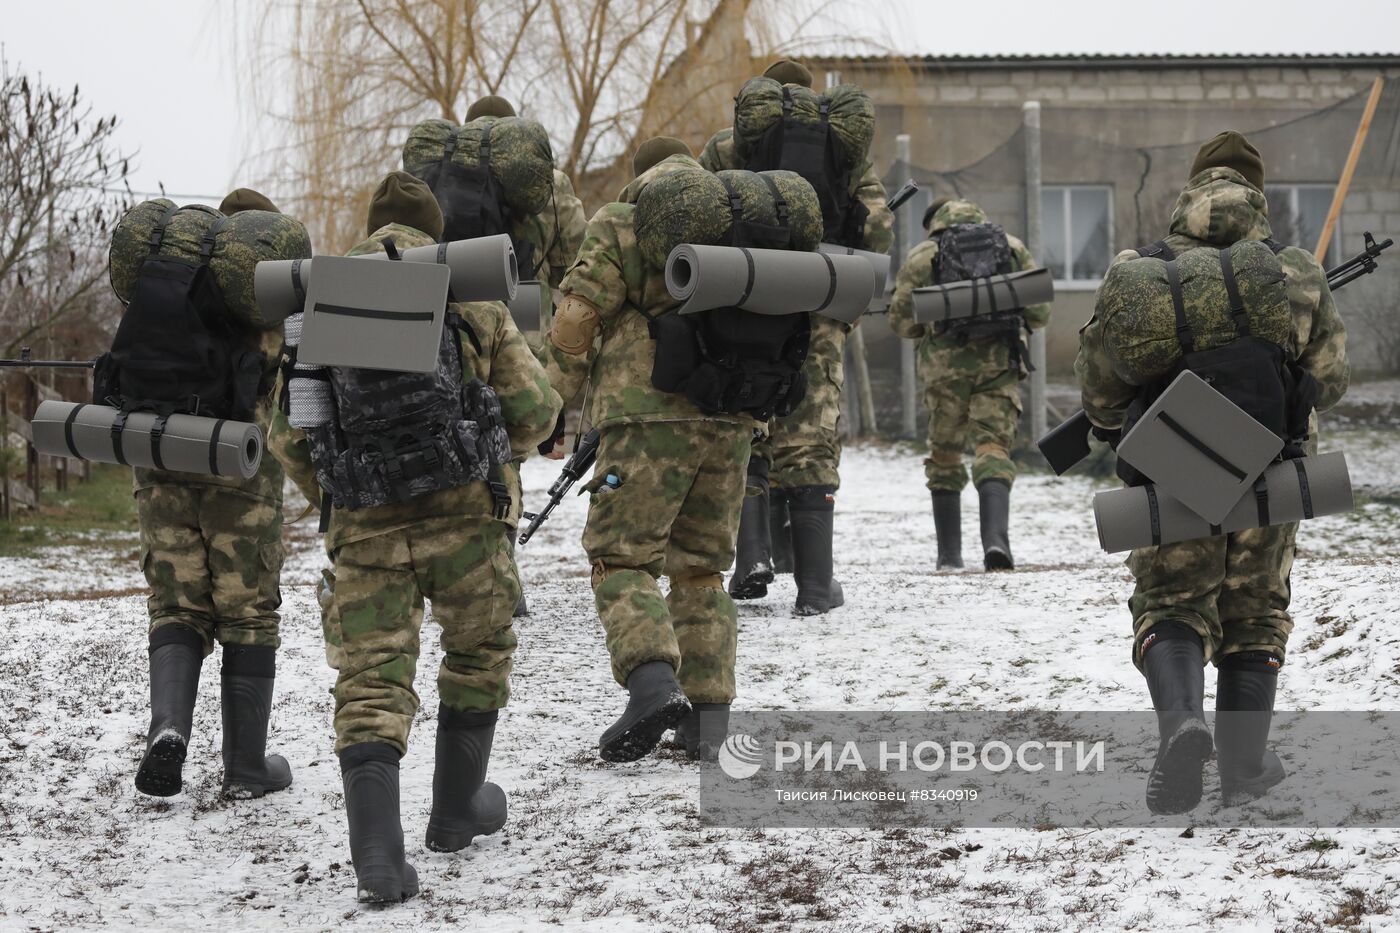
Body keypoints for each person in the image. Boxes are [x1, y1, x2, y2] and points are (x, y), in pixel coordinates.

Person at [266, 172, 561, 903]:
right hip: (468, 519)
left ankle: (378, 856)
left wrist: (348, 489)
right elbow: (534, 412)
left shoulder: (320, 302)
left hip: (364, 526)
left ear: (368, 226)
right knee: (477, 651)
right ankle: (456, 811)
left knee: (370, 678)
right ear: (437, 232)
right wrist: (481, 449)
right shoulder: (470, 293)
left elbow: (290, 438)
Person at [1075, 131, 1348, 813]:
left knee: (1172, 604)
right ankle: (1244, 764)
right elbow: (1332, 380)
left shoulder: (1143, 271)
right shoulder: (1295, 271)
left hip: (1173, 472)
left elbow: (1101, 395)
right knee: (1255, 613)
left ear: (1188, 193)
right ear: (1258, 195)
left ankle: (1182, 725)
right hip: (1271, 470)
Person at [536, 137, 757, 762]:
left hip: (646, 418)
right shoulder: (739, 225)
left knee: (621, 558)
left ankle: (653, 685)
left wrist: (551, 406)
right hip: (733, 418)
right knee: (700, 569)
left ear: (644, 180)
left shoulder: (622, 221)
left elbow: (577, 322)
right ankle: (709, 721)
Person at [700, 58, 894, 615]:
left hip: (745, 298)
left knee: (746, 421)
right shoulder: (847, 151)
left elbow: (701, 214)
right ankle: (814, 589)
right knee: (810, 436)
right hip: (820, 301)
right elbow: (878, 228)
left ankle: (752, 558)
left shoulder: (725, 147)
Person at [132, 187, 293, 801]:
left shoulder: (168, 296)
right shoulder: (266, 311)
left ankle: (169, 728)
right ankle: (247, 769)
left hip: (160, 466)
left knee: (176, 606)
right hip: (239, 477)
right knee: (247, 612)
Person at [887, 197, 1051, 571]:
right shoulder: (1010, 247)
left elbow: (901, 322)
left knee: (945, 454)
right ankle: (996, 541)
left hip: (944, 371)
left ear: (935, 223)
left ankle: (949, 556)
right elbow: (1040, 313)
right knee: (993, 447)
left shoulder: (922, 256)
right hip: (998, 365)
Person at [463, 94, 587, 292]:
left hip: (457, 307)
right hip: (527, 307)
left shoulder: (446, 172)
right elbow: (570, 264)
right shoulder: (553, 180)